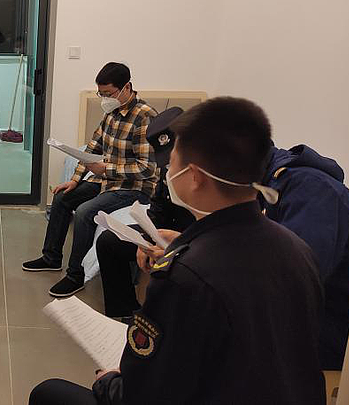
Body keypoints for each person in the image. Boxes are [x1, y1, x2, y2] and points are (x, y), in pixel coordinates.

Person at [30, 97, 326, 404]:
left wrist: (108, 381)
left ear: (194, 177)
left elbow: (143, 395)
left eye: (172, 163)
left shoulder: (183, 276)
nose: (167, 172)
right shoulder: (297, 249)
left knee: (48, 393)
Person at [23, 62, 158, 298]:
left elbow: (147, 168)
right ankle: (51, 257)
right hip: (105, 180)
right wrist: (75, 180)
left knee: (86, 212)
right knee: (62, 197)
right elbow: (92, 148)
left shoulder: (144, 116)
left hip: (133, 187)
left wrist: (106, 169)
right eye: (101, 94)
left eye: (109, 93)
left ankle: (76, 275)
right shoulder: (111, 113)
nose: (105, 99)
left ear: (126, 88)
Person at [260, 144, 349, 370]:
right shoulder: (272, 190)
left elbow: (293, 285)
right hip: (324, 332)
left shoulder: (309, 189)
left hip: (342, 340)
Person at [95, 107, 195, 319]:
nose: (171, 166)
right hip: (166, 232)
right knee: (108, 241)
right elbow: (158, 208)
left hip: (193, 242)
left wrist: (177, 246)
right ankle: (125, 312)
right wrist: (146, 240)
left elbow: (218, 232)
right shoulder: (168, 170)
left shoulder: (212, 176)